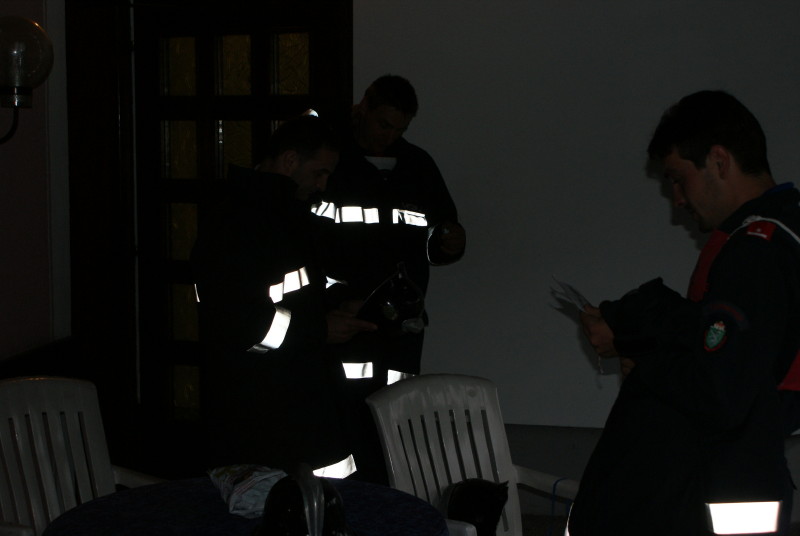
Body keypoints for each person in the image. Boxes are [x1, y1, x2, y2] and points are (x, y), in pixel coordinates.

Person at [570, 90, 800, 536]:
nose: (677, 198)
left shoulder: (755, 250)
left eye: (679, 179)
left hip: (719, 490)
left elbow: (721, 391)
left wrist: (637, 352)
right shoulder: (785, 229)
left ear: (718, 160)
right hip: (745, 479)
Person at [191, 115, 376, 476]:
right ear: (290, 160)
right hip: (259, 411)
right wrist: (320, 329)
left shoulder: (286, 213)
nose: (323, 185)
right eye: (319, 172)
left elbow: (300, 289)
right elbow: (243, 323)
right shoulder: (236, 222)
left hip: (299, 395)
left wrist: (339, 305)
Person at [313, 75, 466, 484]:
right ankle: (343, 501)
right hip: (346, 322)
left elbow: (439, 234)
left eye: (400, 129)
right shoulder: (333, 162)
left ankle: (393, 498)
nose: (390, 136)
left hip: (402, 328)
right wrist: (331, 303)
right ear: (363, 107)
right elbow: (303, 244)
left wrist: (450, 242)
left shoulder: (418, 165)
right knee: (345, 419)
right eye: (384, 124)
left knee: (399, 419)